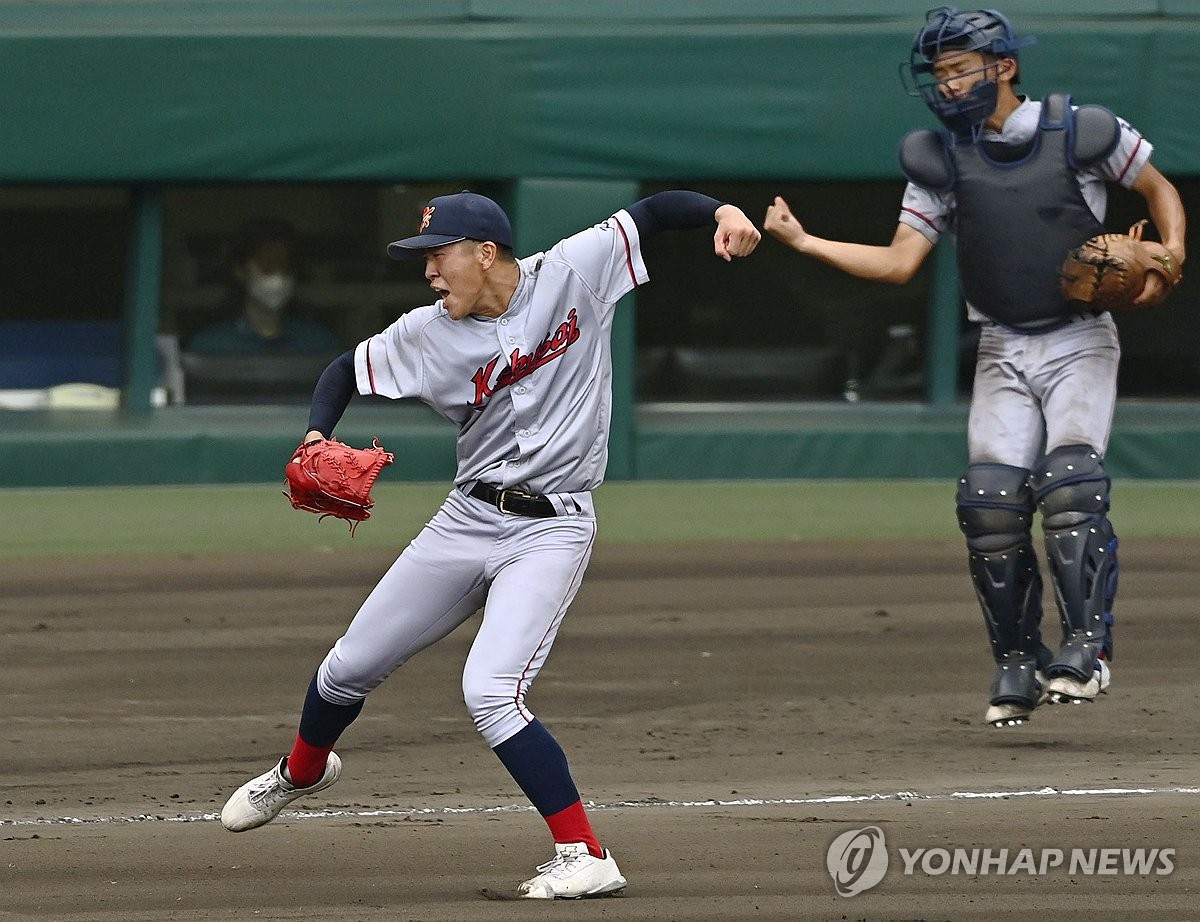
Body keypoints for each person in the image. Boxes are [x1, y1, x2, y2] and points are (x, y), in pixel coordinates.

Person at [219, 190, 761, 897]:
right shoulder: (425, 332)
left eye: (437, 255)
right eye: (423, 259)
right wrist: (318, 434)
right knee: (346, 668)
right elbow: (342, 372)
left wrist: (721, 212)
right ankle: (302, 770)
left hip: (552, 529)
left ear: (485, 251)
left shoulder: (574, 271)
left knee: (490, 690)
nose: (429, 273)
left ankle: (586, 855)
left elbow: (654, 212)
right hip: (464, 520)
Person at [763, 7, 1186, 728]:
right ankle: (1017, 662)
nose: (948, 84)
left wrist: (1172, 256)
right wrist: (804, 242)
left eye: (961, 68)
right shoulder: (940, 158)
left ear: (1005, 67)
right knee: (989, 502)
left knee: (1071, 484)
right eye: (940, 72)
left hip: (1080, 338)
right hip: (1001, 344)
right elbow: (901, 262)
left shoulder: (1080, 131)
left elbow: (1158, 190)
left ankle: (1087, 649)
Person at [186, 218, 341, 356]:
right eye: (267, 267)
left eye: (286, 267)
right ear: (240, 271)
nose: (278, 277)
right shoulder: (210, 346)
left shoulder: (320, 344)